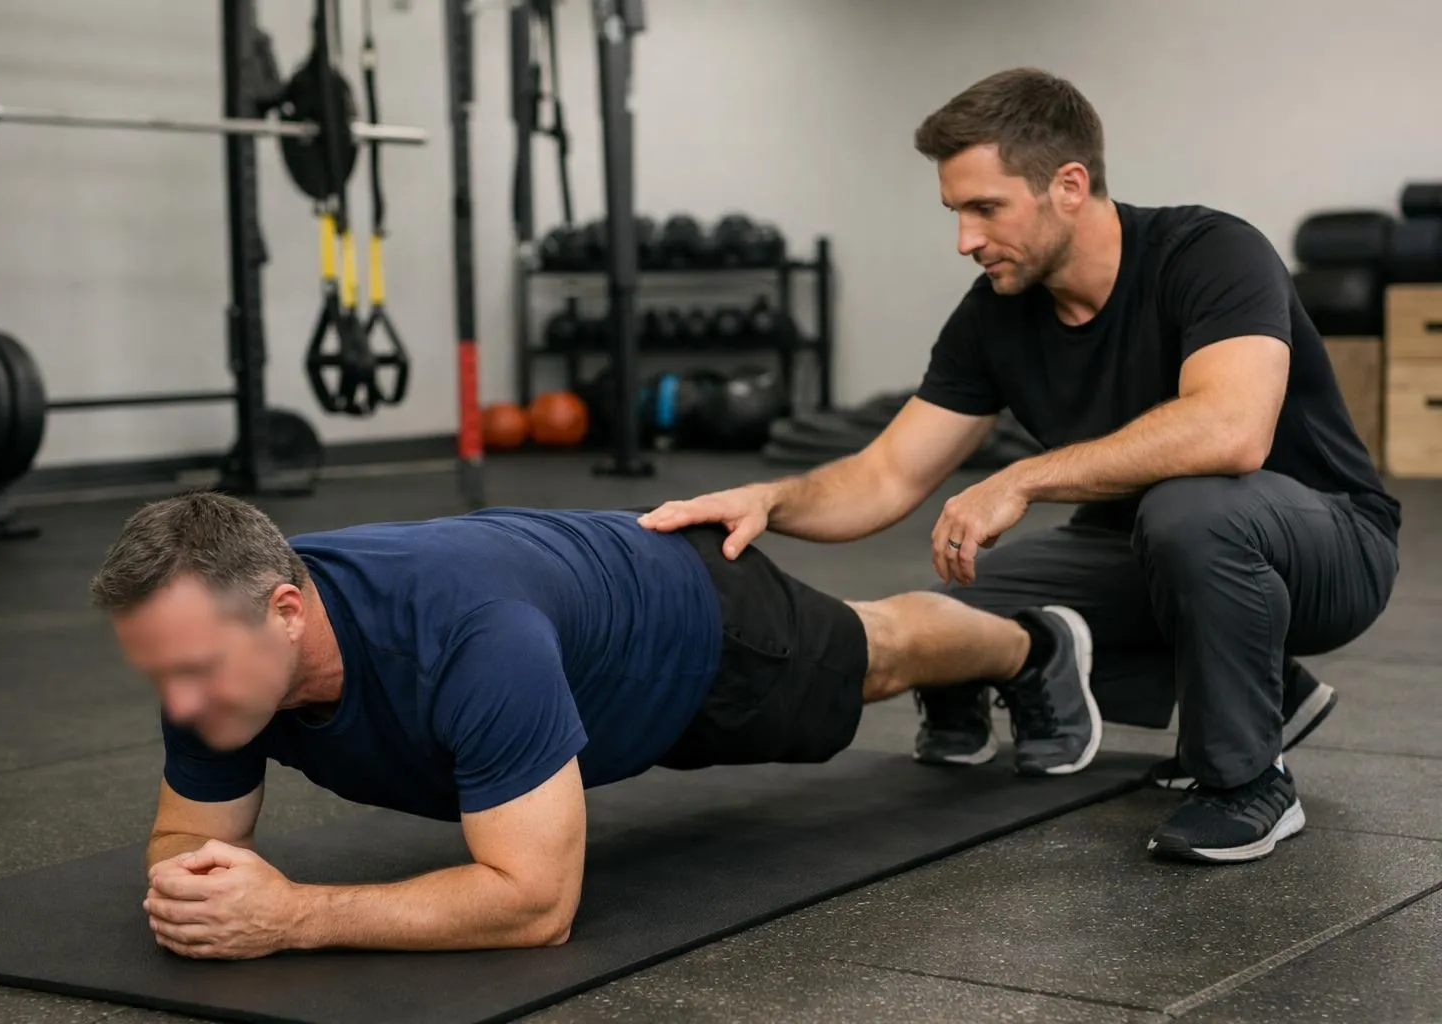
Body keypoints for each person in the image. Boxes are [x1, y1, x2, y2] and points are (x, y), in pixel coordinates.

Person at [639, 67, 1400, 865]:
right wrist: (769, 500)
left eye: (985, 208)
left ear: (1068, 186)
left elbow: (1231, 430)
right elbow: (886, 474)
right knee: (958, 619)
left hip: (1330, 542)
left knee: (1191, 513)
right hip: (1150, 548)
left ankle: (1248, 781)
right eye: (956, 213)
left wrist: (1021, 478)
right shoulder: (994, 317)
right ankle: (1264, 685)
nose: (965, 240)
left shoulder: (1210, 253)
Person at [91, 490, 1101, 960]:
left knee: (870, 655)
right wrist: (194, 886)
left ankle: (1029, 647)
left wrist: (292, 917)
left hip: (691, 622)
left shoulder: (471, 642)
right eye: (161, 675)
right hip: (557, 618)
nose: (178, 706)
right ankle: (971, 675)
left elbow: (535, 906)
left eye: (194, 673)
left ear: (286, 611)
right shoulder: (211, 662)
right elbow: (186, 835)